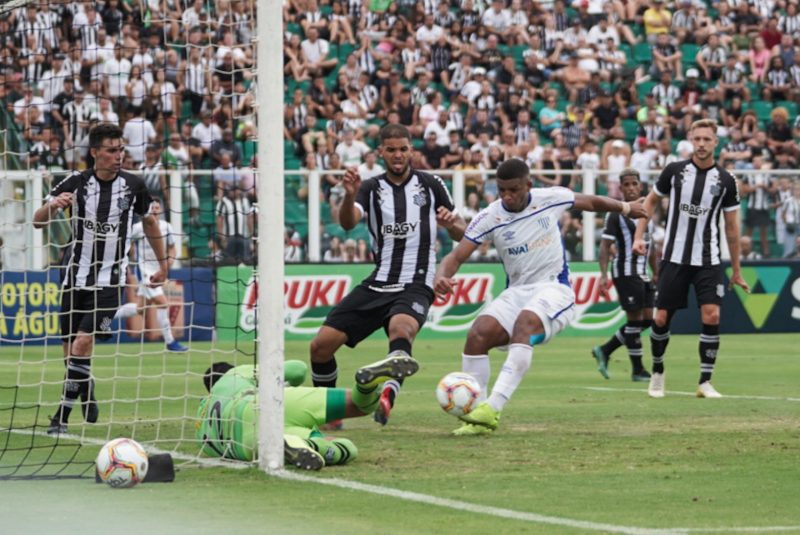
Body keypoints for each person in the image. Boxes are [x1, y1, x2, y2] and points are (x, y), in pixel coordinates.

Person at [433, 159, 647, 435]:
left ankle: (492, 409)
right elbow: (455, 255)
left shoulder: (549, 198)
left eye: (513, 190)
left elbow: (591, 202)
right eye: (501, 190)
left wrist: (627, 208)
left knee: (525, 323)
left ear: (528, 185)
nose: (507, 196)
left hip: (554, 289)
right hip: (516, 292)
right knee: (478, 334)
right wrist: (441, 276)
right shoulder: (490, 216)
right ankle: (476, 416)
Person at [309, 124, 466, 427]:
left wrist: (451, 224)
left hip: (416, 282)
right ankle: (330, 414)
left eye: (403, 149)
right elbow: (346, 223)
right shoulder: (370, 188)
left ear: (411, 151)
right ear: (380, 151)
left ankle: (388, 395)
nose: (397, 155)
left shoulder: (431, 184)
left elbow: (463, 233)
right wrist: (349, 195)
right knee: (320, 346)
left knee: (401, 330)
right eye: (391, 149)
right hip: (378, 282)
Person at [32, 123, 168, 434]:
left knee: (83, 342)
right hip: (73, 278)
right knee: (70, 355)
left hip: (110, 281)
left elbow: (150, 224)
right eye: (111, 150)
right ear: (95, 153)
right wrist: (52, 206)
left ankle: (60, 420)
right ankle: (86, 386)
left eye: (121, 149)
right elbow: (37, 222)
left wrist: (163, 265)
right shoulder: (75, 181)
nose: (119, 155)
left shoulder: (134, 186)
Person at [633, 119, 750, 399]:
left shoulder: (726, 181)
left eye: (706, 139)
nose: (701, 144)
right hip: (674, 257)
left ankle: (705, 381)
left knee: (712, 314)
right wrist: (640, 236)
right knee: (661, 319)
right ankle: (658, 372)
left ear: (715, 142)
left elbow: (732, 228)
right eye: (697, 138)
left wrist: (736, 270)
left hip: (708, 259)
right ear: (690, 140)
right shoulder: (674, 171)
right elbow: (648, 202)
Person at [197, 357, 419, 470]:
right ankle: (369, 385)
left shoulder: (201, 423)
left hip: (246, 444)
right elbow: (298, 368)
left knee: (342, 448)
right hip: (267, 404)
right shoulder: (235, 375)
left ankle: (296, 445)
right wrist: (285, 381)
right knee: (359, 407)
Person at [592, 169, 658, 382]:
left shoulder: (648, 211)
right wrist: (603, 275)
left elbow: (651, 246)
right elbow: (605, 246)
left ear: (640, 186)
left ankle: (605, 349)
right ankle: (638, 370)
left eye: (634, 184)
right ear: (620, 189)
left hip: (643, 273)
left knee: (648, 320)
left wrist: (656, 272)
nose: (630, 188)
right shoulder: (616, 213)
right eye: (626, 185)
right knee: (635, 320)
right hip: (625, 272)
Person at [115, 199, 187, 352]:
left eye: (157, 208)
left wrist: (168, 263)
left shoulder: (167, 227)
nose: (155, 210)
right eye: (152, 207)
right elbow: (123, 241)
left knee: (141, 308)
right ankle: (170, 342)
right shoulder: (138, 227)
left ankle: (103, 315)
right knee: (162, 302)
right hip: (144, 271)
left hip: (159, 272)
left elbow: (173, 249)